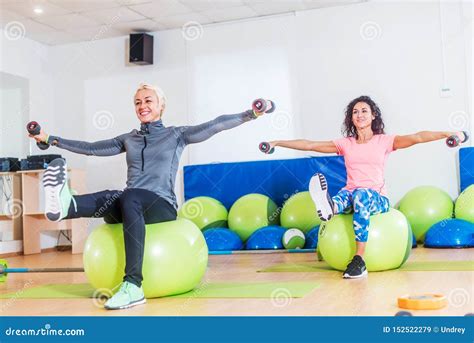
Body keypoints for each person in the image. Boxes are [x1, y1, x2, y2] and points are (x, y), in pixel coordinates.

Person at [30, 83, 273, 309]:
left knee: (128, 196)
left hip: (162, 206)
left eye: (148, 101)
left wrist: (250, 114)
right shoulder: (129, 139)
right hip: (132, 205)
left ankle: (134, 285)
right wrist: (51, 140)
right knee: (112, 196)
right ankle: (67, 205)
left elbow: (215, 124)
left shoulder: (176, 134)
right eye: (137, 102)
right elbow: (92, 148)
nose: (142, 106)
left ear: (160, 106)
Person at [265, 95, 468, 279]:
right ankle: (331, 208)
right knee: (347, 195)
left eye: (364, 111)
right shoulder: (346, 143)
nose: (359, 114)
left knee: (360, 195)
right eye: (355, 112)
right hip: (351, 193)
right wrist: (277, 142)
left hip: (376, 198)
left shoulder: (384, 141)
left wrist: (448, 133)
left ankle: (359, 259)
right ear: (351, 118)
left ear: (373, 116)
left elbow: (417, 137)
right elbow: (310, 145)